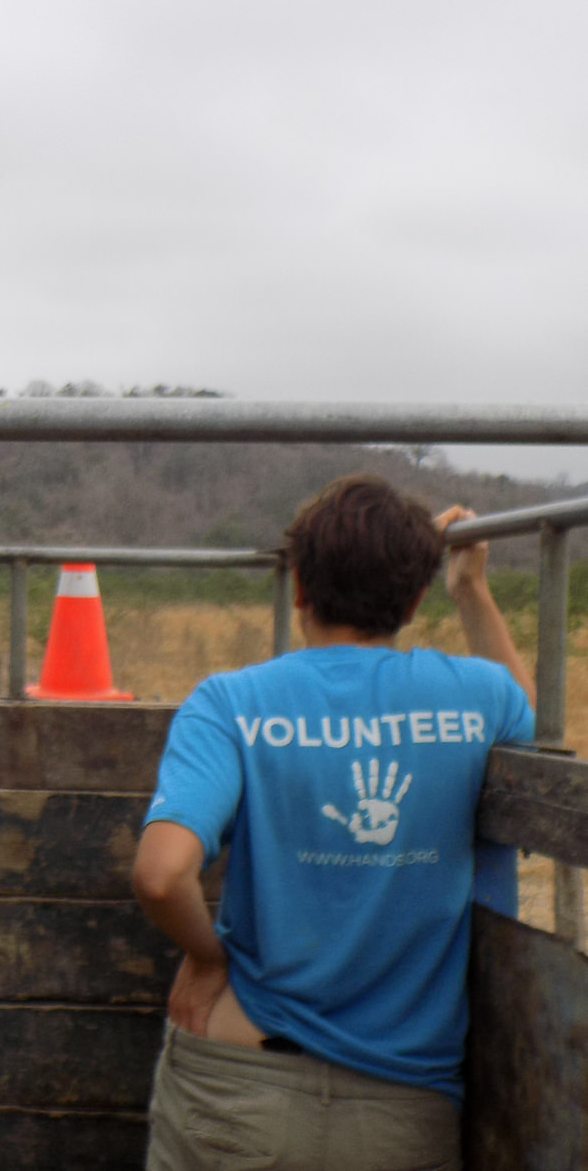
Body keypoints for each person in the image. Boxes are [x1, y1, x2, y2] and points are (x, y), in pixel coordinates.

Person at [133, 474, 536, 1171]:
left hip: (237, 1076)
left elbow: (161, 874)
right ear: (412, 601)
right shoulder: (478, 697)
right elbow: (529, 726)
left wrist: (206, 956)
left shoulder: (228, 703)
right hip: (400, 1106)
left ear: (297, 588)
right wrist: (470, 589)